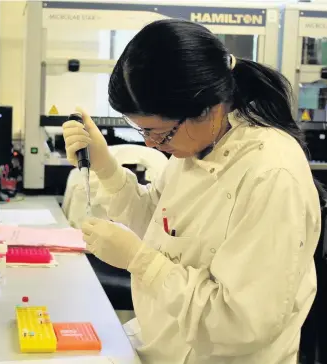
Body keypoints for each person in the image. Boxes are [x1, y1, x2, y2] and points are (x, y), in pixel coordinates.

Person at [62, 19, 324, 364]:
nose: (151, 144)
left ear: (209, 108)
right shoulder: (201, 142)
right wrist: (107, 168)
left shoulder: (271, 176)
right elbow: (160, 222)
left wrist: (140, 261)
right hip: (165, 346)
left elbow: (239, 325)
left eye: (159, 133)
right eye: (141, 130)